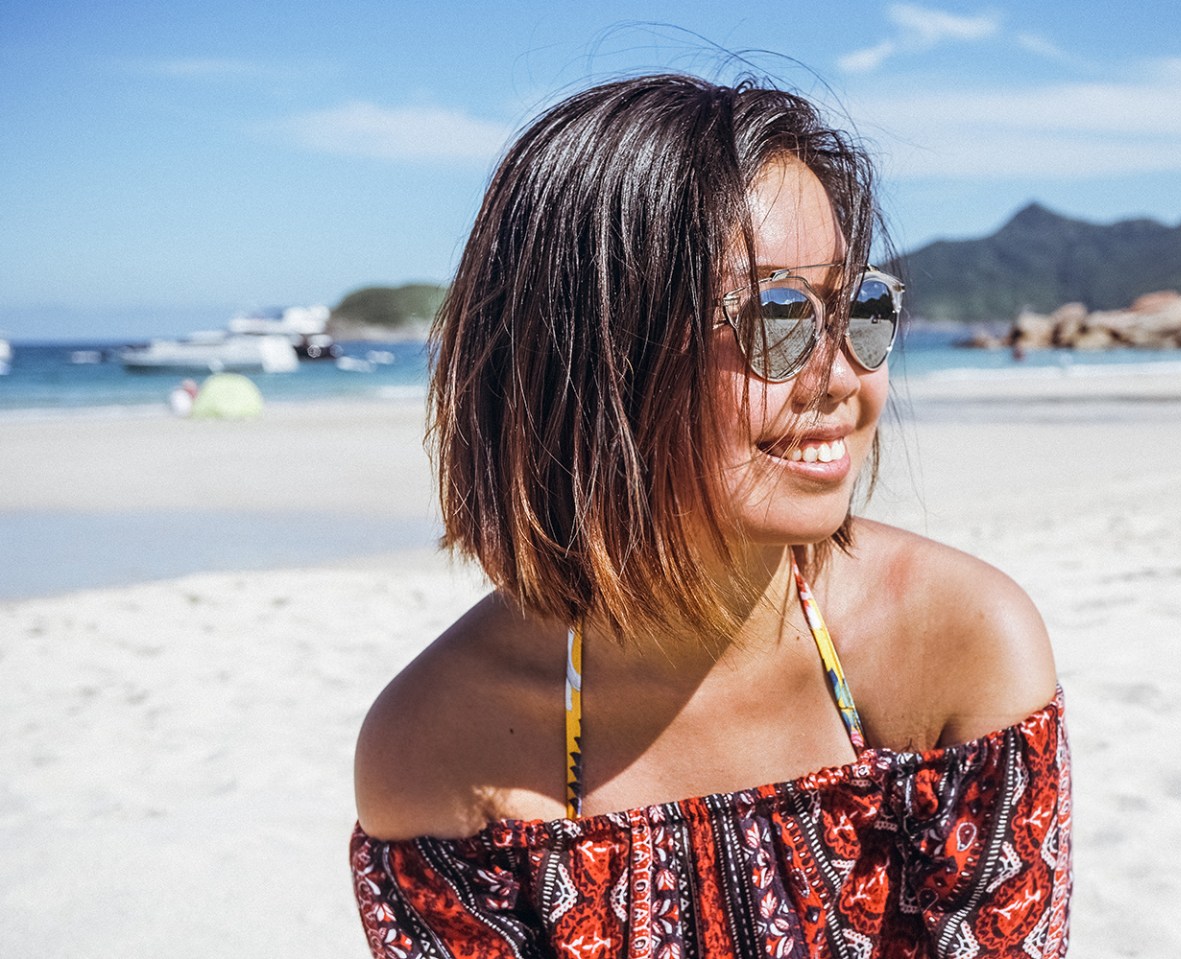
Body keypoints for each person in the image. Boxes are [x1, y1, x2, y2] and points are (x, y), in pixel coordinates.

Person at [351, 73, 1070, 958]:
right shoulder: (439, 746)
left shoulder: (956, 646)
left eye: (859, 308)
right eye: (777, 316)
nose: (841, 376)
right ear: (597, 356)